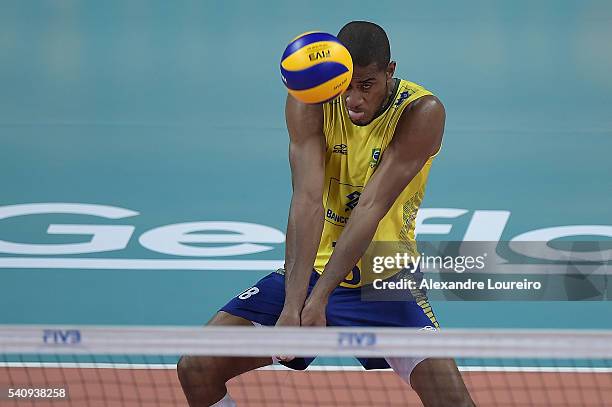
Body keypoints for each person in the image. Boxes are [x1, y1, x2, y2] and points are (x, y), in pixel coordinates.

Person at [177, 21, 475, 407]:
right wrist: (292, 304)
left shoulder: (422, 112)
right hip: (309, 272)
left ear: (390, 71)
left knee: (455, 403)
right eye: (347, 84)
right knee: (196, 367)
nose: (354, 99)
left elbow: (369, 208)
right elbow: (306, 201)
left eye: (366, 85)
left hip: (384, 283)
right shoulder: (310, 98)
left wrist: (318, 302)